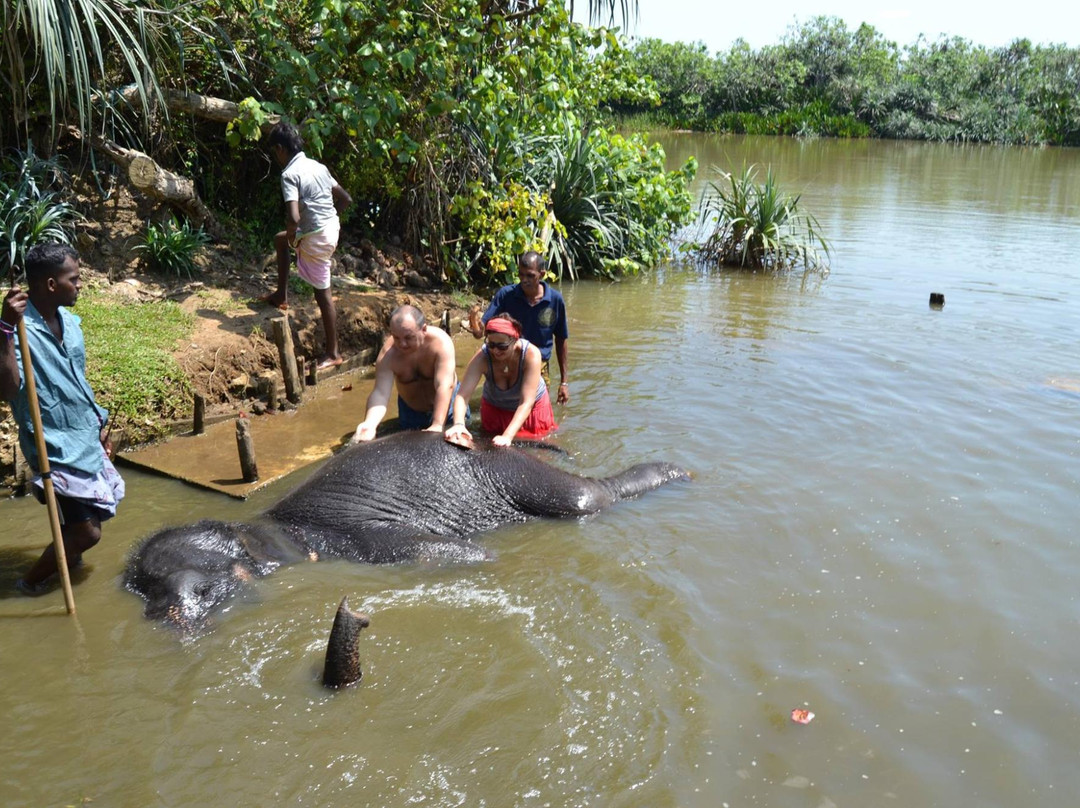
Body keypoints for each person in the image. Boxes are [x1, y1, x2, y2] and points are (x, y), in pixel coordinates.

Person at [0, 243, 125, 595]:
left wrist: (97, 426)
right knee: (88, 532)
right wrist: (6, 328)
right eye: (75, 279)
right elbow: (7, 388)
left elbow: (77, 381)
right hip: (53, 445)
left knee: (74, 531)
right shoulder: (19, 330)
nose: (81, 285)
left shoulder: (70, 323)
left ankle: (65, 557)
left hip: (83, 436)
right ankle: (27, 584)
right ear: (51, 284)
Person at [261, 121, 353, 371]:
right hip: (330, 229)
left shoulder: (290, 174)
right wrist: (326, 223)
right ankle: (281, 295)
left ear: (280, 148)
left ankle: (333, 353)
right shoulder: (318, 166)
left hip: (316, 236)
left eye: (274, 152)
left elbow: (293, 218)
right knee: (280, 240)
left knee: (322, 292)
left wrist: (296, 235)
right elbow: (345, 199)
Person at [470, 251, 570, 404]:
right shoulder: (506, 295)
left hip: (539, 363)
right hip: (508, 360)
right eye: (521, 275)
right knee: (503, 406)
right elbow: (485, 327)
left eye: (530, 276)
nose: (524, 280)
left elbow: (561, 339)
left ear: (541, 274)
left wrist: (564, 382)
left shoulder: (555, 300)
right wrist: (476, 327)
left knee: (536, 407)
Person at [350, 305, 462, 442]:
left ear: (424, 329)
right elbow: (380, 393)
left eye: (408, 337)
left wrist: (437, 424)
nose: (402, 344)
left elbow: (444, 385)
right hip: (412, 413)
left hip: (449, 406)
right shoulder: (388, 355)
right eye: (396, 338)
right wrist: (370, 424)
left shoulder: (441, 343)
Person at [447, 313, 556, 447]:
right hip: (495, 408)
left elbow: (526, 402)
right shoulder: (483, 357)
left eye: (502, 347)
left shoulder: (531, 354)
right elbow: (462, 395)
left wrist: (507, 436)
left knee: (537, 448)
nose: (496, 351)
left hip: (530, 410)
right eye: (491, 345)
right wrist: (458, 424)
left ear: (515, 340)